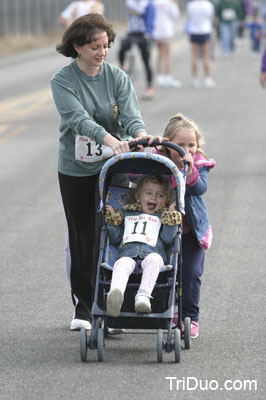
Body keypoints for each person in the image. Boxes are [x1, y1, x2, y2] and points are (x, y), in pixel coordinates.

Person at [50, 13, 157, 331]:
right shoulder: (63, 81)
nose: (102, 52)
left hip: (116, 166)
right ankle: (84, 308)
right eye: (95, 46)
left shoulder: (118, 78)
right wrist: (110, 139)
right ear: (77, 47)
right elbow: (78, 119)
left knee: (114, 235)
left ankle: (114, 305)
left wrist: (138, 137)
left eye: (106, 45)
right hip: (77, 169)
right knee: (83, 237)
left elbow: (131, 116)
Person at [160, 113, 215, 338]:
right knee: (165, 273)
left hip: (190, 231)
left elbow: (199, 188)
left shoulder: (199, 163)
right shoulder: (159, 160)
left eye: (191, 144)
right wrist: (150, 149)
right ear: (168, 144)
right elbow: (136, 175)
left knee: (190, 274)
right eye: (179, 145)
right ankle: (169, 311)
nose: (186, 149)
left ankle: (190, 318)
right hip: (162, 232)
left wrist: (189, 169)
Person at [105, 172, 181, 316]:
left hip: (153, 254)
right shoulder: (127, 213)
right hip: (128, 253)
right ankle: (116, 295)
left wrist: (170, 218)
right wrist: (112, 221)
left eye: (160, 195)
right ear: (138, 196)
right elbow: (116, 239)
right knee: (121, 263)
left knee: (154, 260)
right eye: (149, 193)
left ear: (165, 200)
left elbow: (168, 239)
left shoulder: (162, 217)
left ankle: (143, 296)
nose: (154, 198)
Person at [118, 0, 155, 99]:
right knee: (122, 48)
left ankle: (149, 87)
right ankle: (122, 67)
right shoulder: (130, 2)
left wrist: (149, 34)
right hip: (131, 33)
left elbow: (150, 19)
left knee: (146, 61)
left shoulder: (148, 3)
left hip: (144, 34)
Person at [186, 0, 216, 88]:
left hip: (194, 31)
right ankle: (207, 78)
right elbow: (211, 18)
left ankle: (194, 79)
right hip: (205, 31)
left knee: (194, 56)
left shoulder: (190, 5)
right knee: (206, 56)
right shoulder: (208, 5)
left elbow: (189, 17)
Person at [152, 0, 182, 88]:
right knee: (168, 55)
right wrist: (175, 4)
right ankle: (168, 76)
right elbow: (176, 15)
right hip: (166, 30)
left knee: (160, 54)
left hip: (156, 30)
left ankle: (159, 76)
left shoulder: (154, 2)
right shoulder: (169, 3)